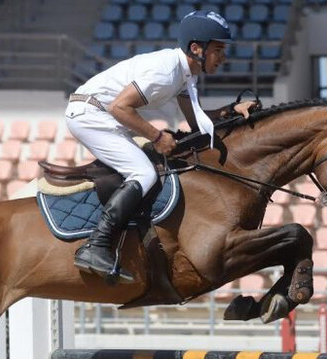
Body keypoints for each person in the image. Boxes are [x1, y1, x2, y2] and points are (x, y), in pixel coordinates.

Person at [65, 10, 258, 283]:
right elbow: (119, 107)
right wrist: (157, 136)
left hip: (102, 114)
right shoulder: (167, 72)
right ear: (196, 48)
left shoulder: (184, 74)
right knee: (144, 173)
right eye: (218, 49)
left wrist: (231, 110)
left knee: (151, 165)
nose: (223, 57)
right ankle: (95, 246)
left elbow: (197, 120)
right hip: (91, 115)